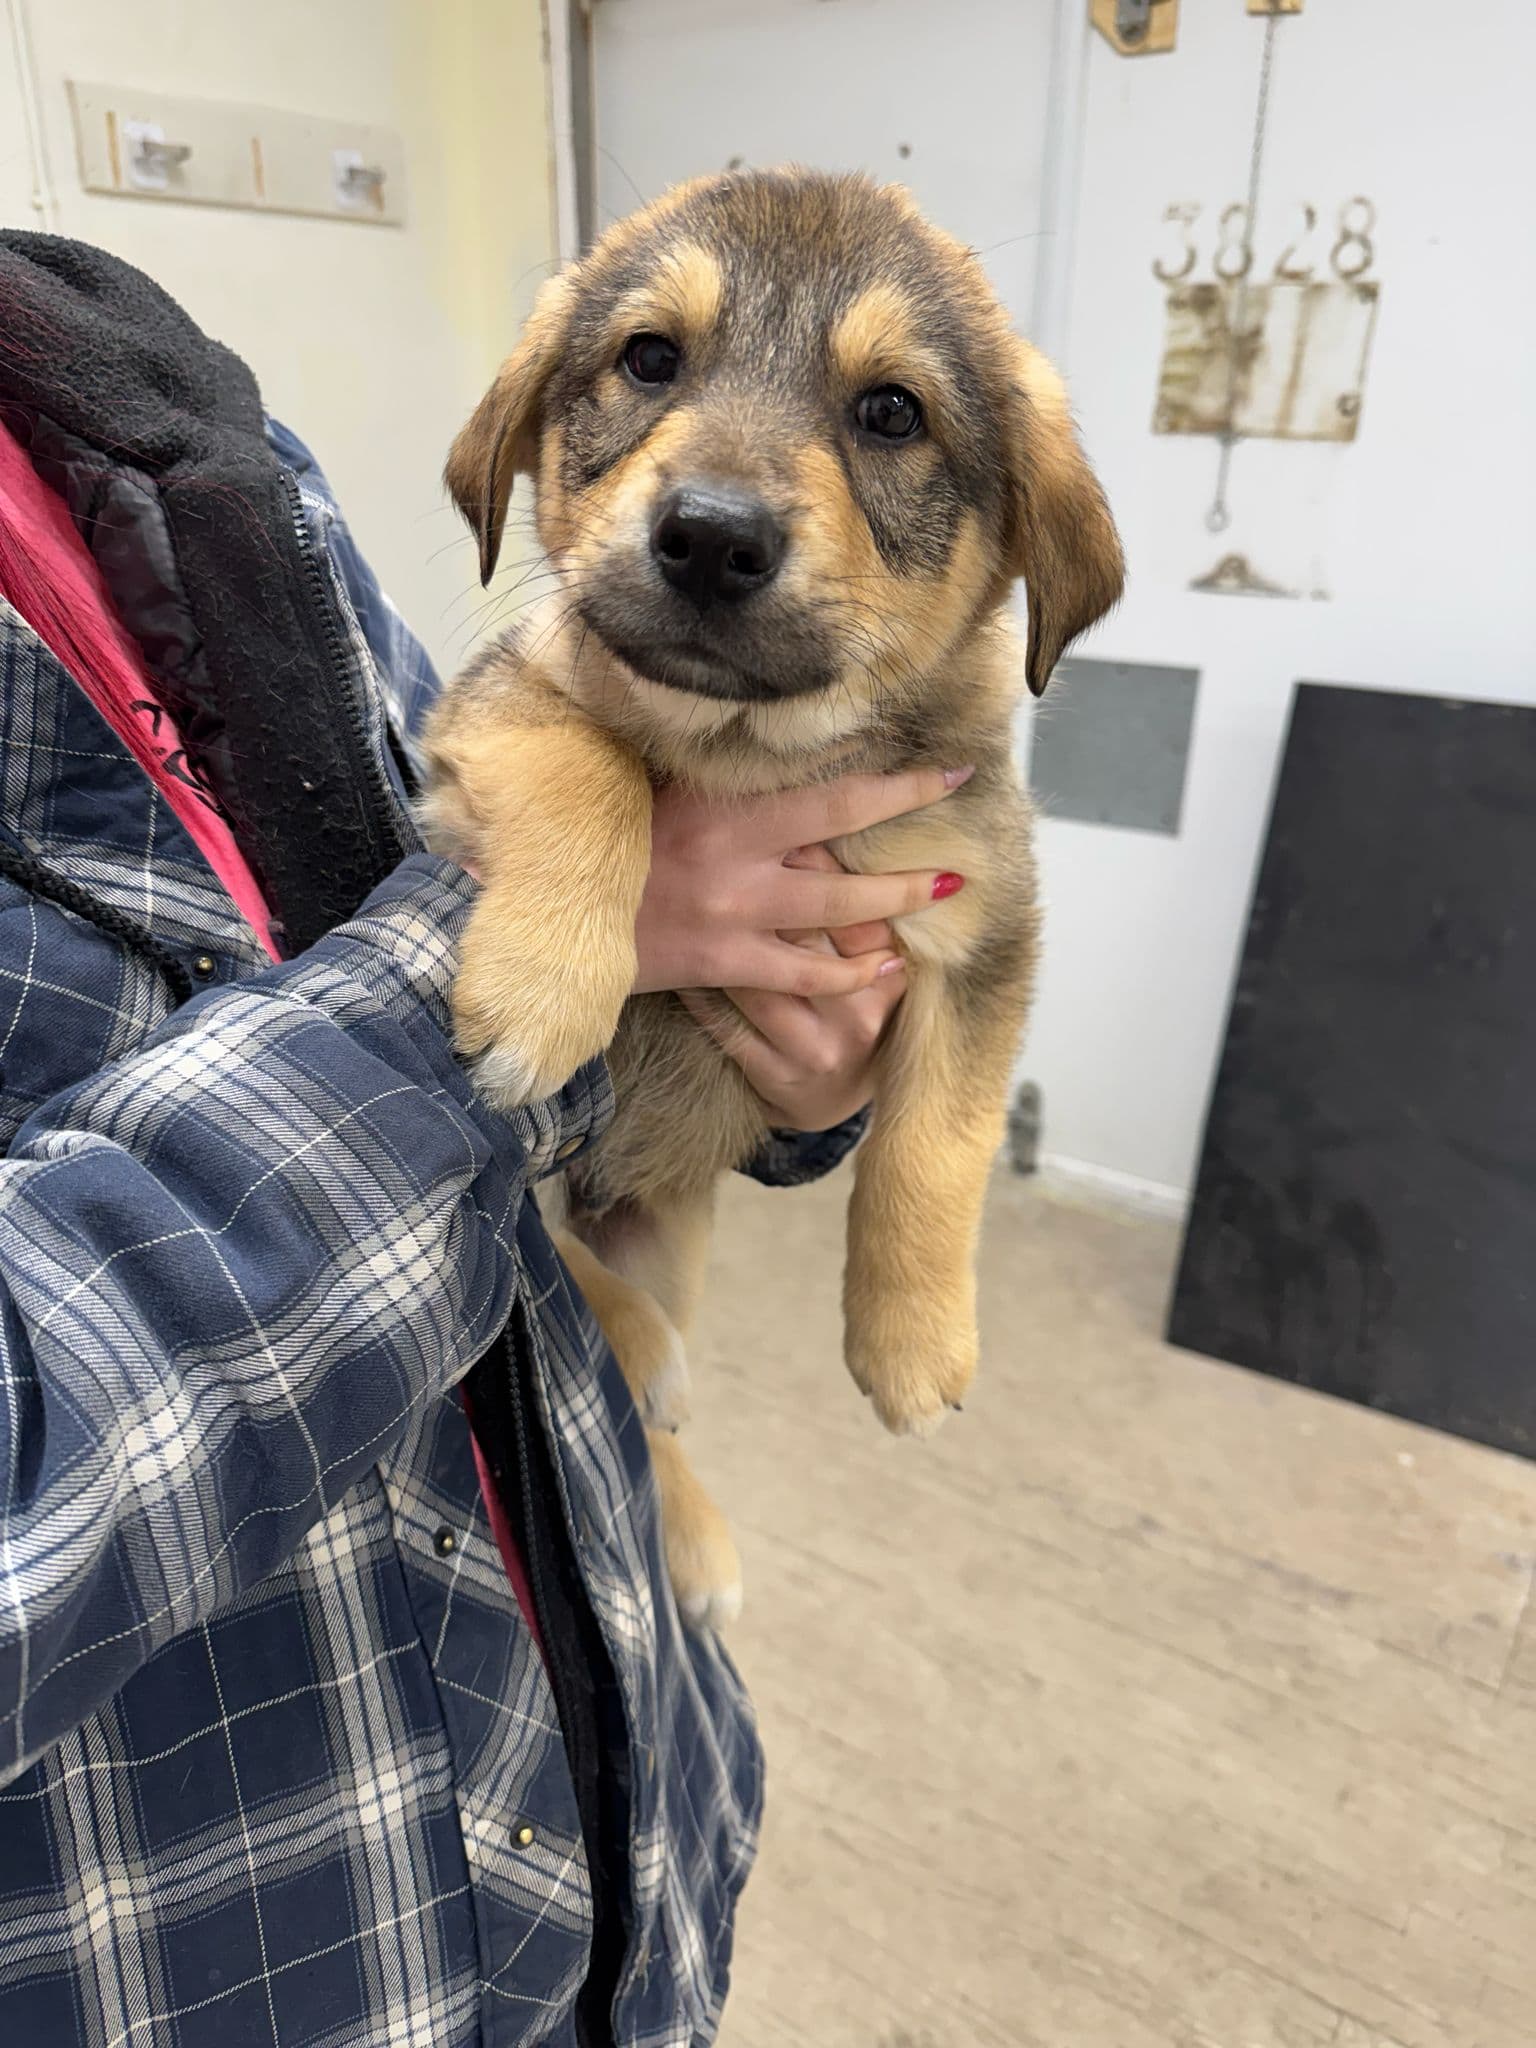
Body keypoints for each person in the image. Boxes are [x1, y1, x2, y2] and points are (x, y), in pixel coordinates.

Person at [0, 232, 959, 2046]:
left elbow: (462, 847)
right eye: (648, 367)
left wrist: (786, 1076)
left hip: (580, 1801)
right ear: (533, 425)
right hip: (261, 1942)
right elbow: (508, 935)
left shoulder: (104, 368)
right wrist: (517, 972)